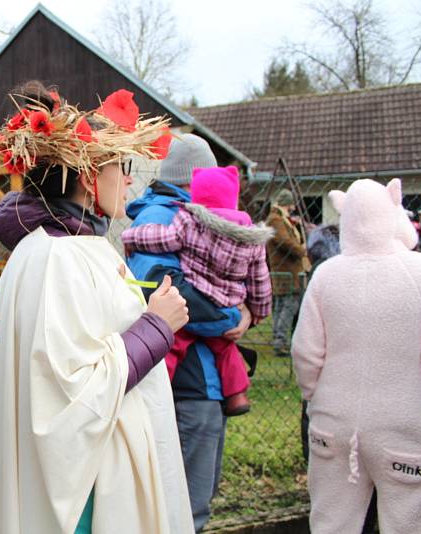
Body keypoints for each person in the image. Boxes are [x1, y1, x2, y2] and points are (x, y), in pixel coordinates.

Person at [0, 82, 194, 534]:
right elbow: (73, 395)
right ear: (87, 172)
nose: (131, 179)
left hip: (95, 474)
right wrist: (157, 326)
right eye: (124, 166)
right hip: (89, 495)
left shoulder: (67, 246)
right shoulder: (60, 256)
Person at [125, 133, 254, 532]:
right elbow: (161, 290)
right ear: (195, 178)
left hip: (201, 378)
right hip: (187, 383)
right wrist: (232, 317)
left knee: (195, 498)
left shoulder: (185, 213)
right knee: (183, 506)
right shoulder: (162, 218)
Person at [292, 178, 421, 534]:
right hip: (407, 427)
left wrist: (314, 397)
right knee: (412, 523)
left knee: (331, 522)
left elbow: (305, 351)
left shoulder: (326, 276)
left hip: (332, 424)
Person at [122, 165, 273, 416]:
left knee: (175, 343)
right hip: (229, 302)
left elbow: (163, 239)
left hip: (199, 294)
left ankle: (158, 389)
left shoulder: (189, 222)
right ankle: (237, 395)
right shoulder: (251, 237)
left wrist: (131, 237)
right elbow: (260, 278)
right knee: (225, 349)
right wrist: (258, 310)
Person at [265, 188, 309, 357]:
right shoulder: (276, 220)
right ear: (287, 204)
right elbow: (284, 241)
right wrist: (301, 250)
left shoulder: (280, 219)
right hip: (286, 270)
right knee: (288, 305)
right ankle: (281, 341)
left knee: (282, 305)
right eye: (291, 204)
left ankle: (278, 338)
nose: (292, 208)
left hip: (286, 270)